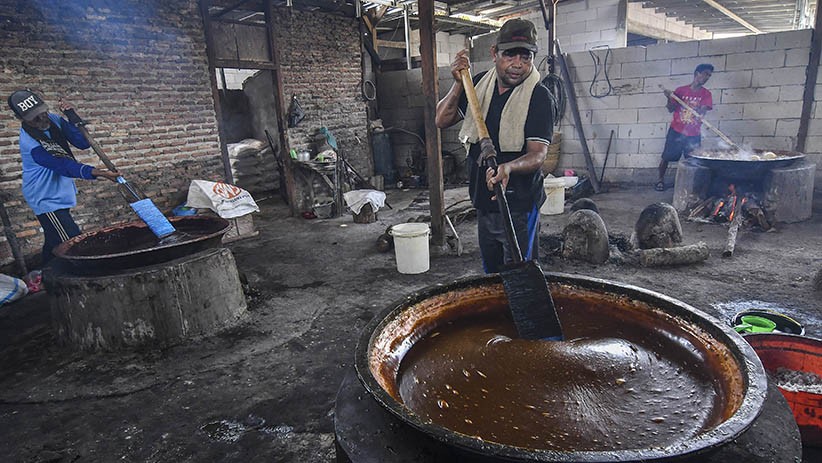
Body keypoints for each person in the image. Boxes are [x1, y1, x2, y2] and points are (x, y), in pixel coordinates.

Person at [435, 18, 552, 273]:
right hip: (484, 201)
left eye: (526, 56)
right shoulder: (477, 84)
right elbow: (441, 119)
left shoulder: (539, 96)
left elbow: (538, 154)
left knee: (521, 272)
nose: (518, 64)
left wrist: (508, 168)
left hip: (519, 205)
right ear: (494, 53)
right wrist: (458, 83)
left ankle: (519, 312)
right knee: (492, 274)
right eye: (510, 54)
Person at [7, 89, 120, 264]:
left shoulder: (54, 119)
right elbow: (63, 166)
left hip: (59, 191)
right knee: (73, 241)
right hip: (45, 197)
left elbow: (82, 143)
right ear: (21, 119)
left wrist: (72, 116)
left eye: (42, 113)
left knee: (54, 239)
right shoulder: (30, 143)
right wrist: (99, 173)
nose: (41, 119)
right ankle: (88, 275)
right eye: (33, 117)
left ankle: (44, 274)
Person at [656, 63, 714, 191]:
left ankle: (691, 186)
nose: (707, 78)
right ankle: (660, 180)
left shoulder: (706, 94)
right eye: (705, 74)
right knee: (666, 157)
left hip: (693, 134)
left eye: (709, 76)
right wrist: (669, 98)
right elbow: (671, 109)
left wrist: (697, 109)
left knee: (694, 161)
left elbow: (702, 111)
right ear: (697, 74)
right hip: (676, 131)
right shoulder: (681, 91)